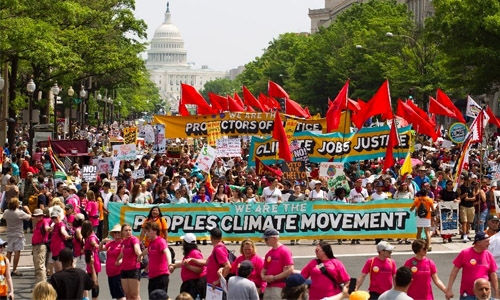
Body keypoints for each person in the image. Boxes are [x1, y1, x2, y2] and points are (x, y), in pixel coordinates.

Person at [446, 232, 499, 300]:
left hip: (484, 295)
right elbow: (454, 272)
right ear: (478, 242)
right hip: (468, 294)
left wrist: (497, 292)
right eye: (486, 241)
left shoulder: (489, 255)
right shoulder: (465, 253)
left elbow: (493, 275)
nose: (489, 243)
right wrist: (449, 289)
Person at [169, 233, 206, 299]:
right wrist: (174, 266)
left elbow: (200, 269)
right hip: (189, 283)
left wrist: (188, 266)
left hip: (195, 284)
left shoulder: (195, 253)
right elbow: (184, 263)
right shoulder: (189, 252)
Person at [261, 228, 294, 300]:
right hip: (269, 286)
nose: (265, 241)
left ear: (274, 238)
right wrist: (263, 276)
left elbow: (290, 269)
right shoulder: (269, 253)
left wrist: (274, 278)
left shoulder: (284, 251)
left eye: (266, 239)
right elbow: (264, 269)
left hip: (279, 287)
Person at [139, 221, 170, 296]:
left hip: (161, 276)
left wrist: (170, 264)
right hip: (152, 276)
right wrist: (140, 255)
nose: (147, 234)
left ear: (155, 231)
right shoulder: (152, 242)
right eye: (146, 231)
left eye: (149, 231)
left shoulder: (161, 241)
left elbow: (167, 251)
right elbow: (148, 250)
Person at [2, 197, 31, 276]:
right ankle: (14, 270)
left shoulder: (6, 212)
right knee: (17, 251)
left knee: (9, 251)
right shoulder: (19, 212)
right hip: (18, 234)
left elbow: (4, 217)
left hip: (9, 233)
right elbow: (29, 217)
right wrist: (28, 210)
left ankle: (6, 268)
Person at [116, 223, 142, 300]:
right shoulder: (124, 241)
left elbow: (137, 249)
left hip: (133, 268)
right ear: (122, 232)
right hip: (124, 269)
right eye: (126, 230)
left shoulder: (134, 239)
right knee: (128, 295)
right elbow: (122, 253)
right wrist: (117, 260)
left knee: (134, 295)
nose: (128, 232)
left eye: (130, 230)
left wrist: (140, 255)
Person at [99, 224, 125, 300]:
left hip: (118, 272)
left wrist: (119, 261)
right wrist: (102, 242)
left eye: (118, 232)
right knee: (116, 295)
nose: (117, 234)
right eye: (115, 232)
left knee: (121, 294)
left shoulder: (122, 244)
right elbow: (101, 249)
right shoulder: (111, 243)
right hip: (110, 272)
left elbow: (124, 255)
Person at [82, 220, 101, 300]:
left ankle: (94, 298)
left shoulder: (91, 237)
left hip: (92, 260)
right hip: (91, 259)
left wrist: (96, 245)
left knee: (93, 281)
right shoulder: (91, 235)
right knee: (91, 279)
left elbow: (93, 243)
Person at [32, 208, 50, 284]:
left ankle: (42, 285)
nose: (38, 217)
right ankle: (38, 284)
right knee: (37, 267)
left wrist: (49, 229)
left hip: (40, 246)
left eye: (40, 216)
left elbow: (47, 228)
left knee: (40, 267)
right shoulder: (38, 223)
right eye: (36, 216)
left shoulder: (44, 222)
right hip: (36, 246)